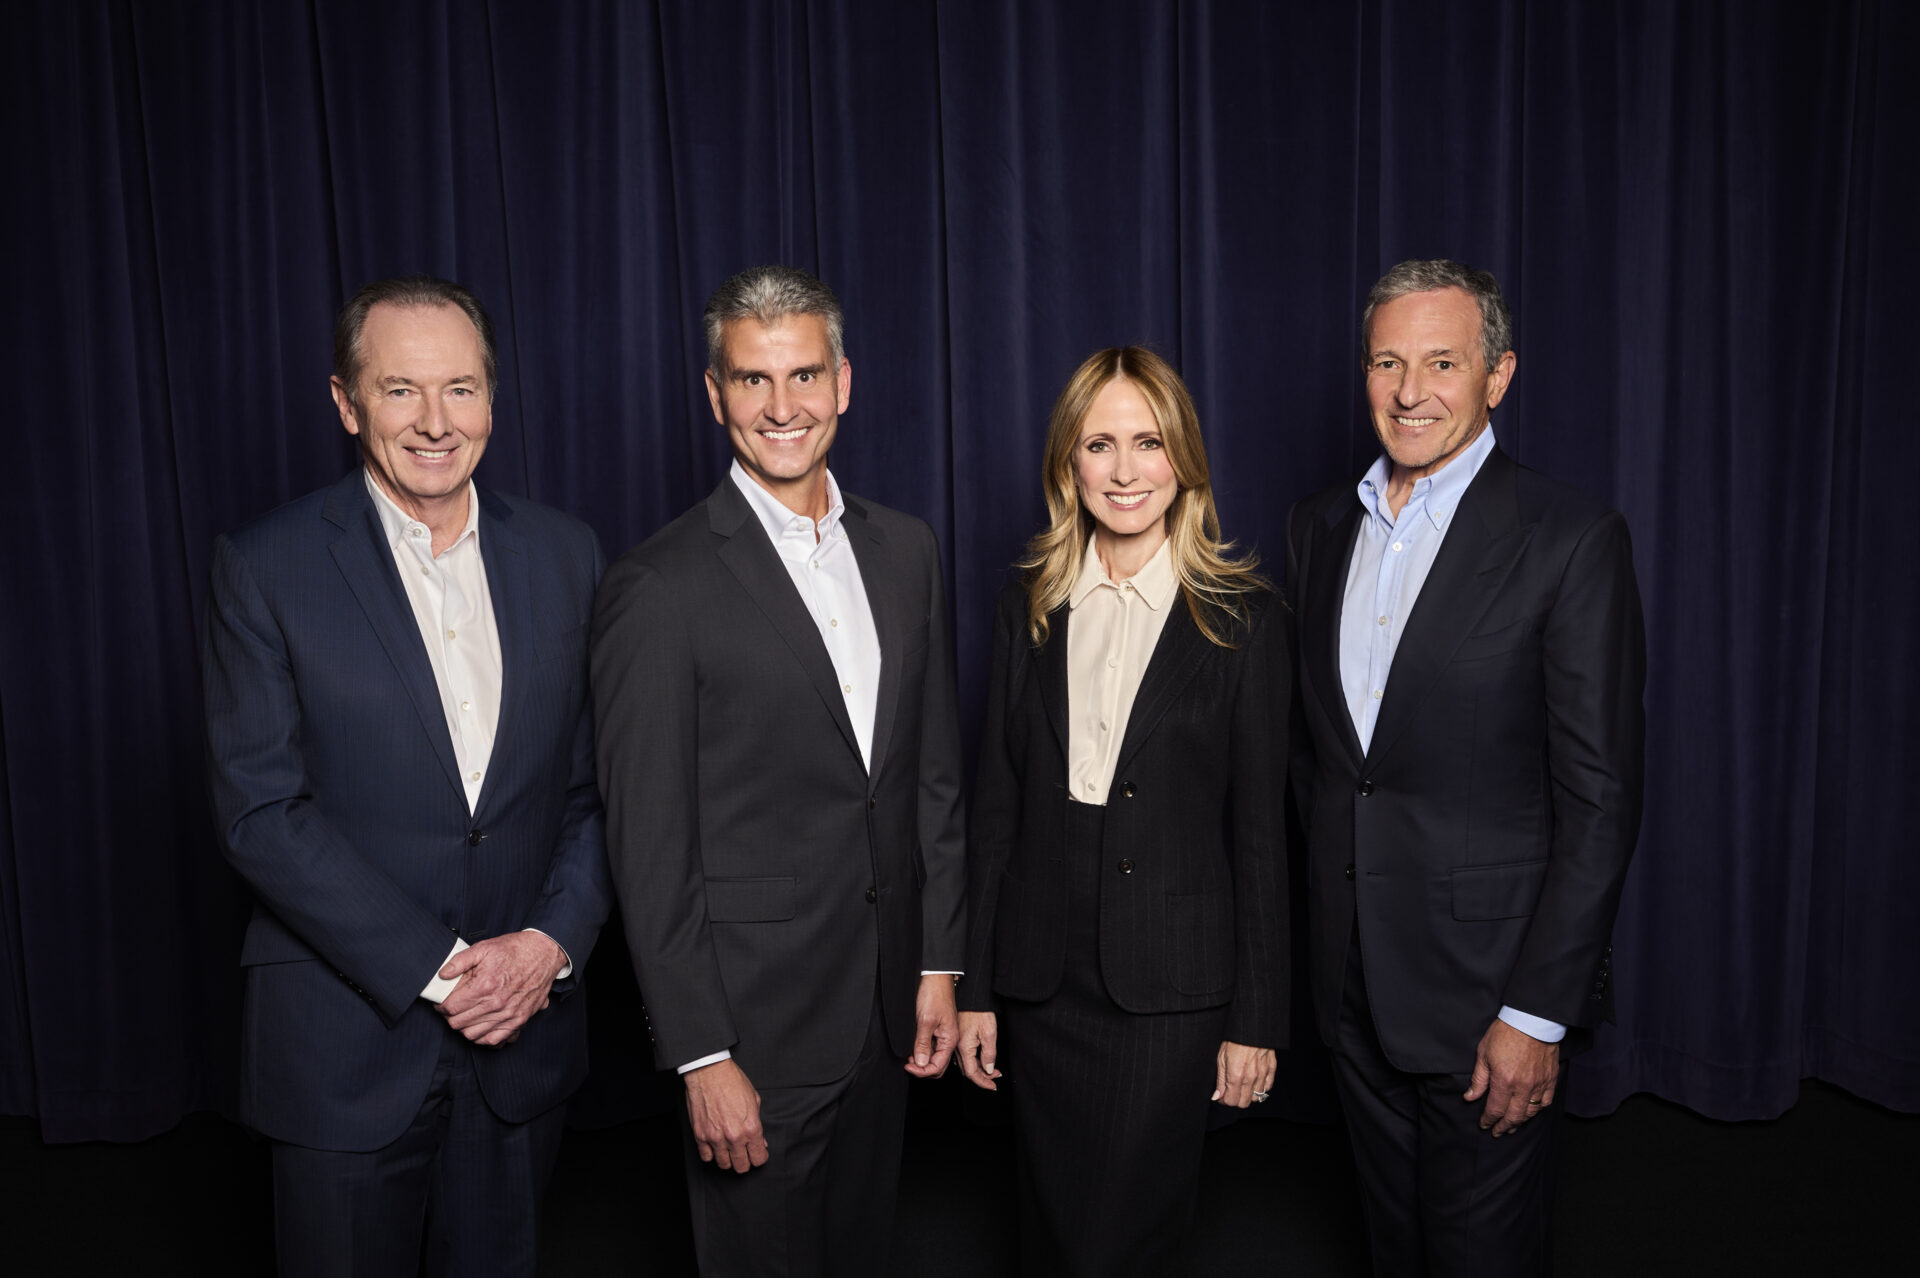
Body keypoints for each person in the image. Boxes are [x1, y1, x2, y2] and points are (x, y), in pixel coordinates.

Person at [202, 275, 614, 1276]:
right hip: (342, 1050)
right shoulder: (265, 566)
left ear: (491, 401)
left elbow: (602, 789)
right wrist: (443, 970)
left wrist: (548, 946)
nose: (436, 421)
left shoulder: (568, 555)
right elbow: (262, 813)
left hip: (523, 1042)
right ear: (347, 403)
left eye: (460, 389)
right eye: (400, 390)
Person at [590, 265, 967, 1277]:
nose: (782, 405)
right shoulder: (655, 586)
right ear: (717, 396)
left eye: (803, 375)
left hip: (887, 1013)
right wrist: (701, 1053)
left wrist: (938, 964)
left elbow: (931, 778)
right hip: (752, 1037)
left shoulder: (907, 551)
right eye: (753, 380)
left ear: (843, 383)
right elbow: (649, 849)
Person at [1287, 259, 1646, 1275]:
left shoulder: (1569, 539)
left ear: (1498, 375)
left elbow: (1600, 800)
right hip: (1351, 991)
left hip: (1491, 1006)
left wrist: (1537, 1016)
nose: (1411, 391)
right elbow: (1323, 766)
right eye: (1387, 363)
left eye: (1442, 363)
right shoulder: (1320, 528)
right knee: (1391, 1250)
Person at [954, 346, 1291, 1276]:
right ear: (1069, 462)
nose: (1125, 470)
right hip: (1040, 981)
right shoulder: (1029, 606)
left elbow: (1262, 838)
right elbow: (996, 814)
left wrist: (1258, 1017)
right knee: (1052, 1236)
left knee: (1121, 1242)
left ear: (1183, 457)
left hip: (1171, 991)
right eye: (1099, 444)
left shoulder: (1244, 619)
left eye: (1148, 442)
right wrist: (977, 988)